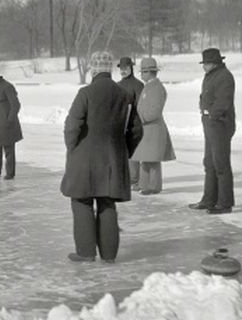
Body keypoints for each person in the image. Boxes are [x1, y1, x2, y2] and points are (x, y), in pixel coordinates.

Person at [60, 51, 142, 263]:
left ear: (94, 69)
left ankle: (86, 252)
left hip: (85, 159)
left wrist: (73, 148)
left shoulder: (85, 93)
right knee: (107, 204)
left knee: (82, 202)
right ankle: (109, 255)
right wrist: (124, 152)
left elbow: (72, 126)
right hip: (113, 159)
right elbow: (136, 130)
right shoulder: (124, 94)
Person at [189, 48, 236, 215]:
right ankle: (209, 199)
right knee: (209, 162)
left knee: (221, 163)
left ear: (216, 62)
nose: (205, 66)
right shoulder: (210, 76)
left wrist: (211, 114)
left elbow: (223, 101)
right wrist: (204, 112)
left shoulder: (224, 76)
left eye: (207, 63)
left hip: (220, 125)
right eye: (204, 63)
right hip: (210, 124)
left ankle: (225, 203)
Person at [130, 58, 175, 195]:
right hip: (146, 130)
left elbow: (155, 111)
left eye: (143, 72)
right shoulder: (148, 87)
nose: (141, 75)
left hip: (153, 129)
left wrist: (140, 119)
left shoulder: (157, 88)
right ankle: (144, 185)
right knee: (145, 158)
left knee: (152, 159)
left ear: (150, 72)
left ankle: (153, 186)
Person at [117, 56, 144, 190]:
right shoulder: (117, 85)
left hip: (135, 124)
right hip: (121, 124)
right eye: (121, 68)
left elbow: (141, 105)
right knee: (122, 152)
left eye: (126, 68)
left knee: (133, 151)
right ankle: (126, 178)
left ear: (131, 68)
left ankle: (134, 180)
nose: (123, 70)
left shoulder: (138, 85)